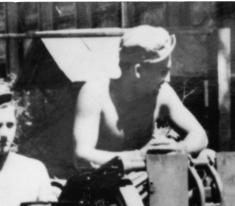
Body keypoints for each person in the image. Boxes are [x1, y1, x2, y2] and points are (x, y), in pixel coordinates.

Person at [73, 25, 209, 171]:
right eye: (163, 72)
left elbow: (199, 134)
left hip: (146, 179)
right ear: (138, 71)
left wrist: (181, 148)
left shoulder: (162, 92)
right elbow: (82, 155)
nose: (168, 79)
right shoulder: (96, 93)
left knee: (207, 156)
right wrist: (138, 156)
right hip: (104, 182)